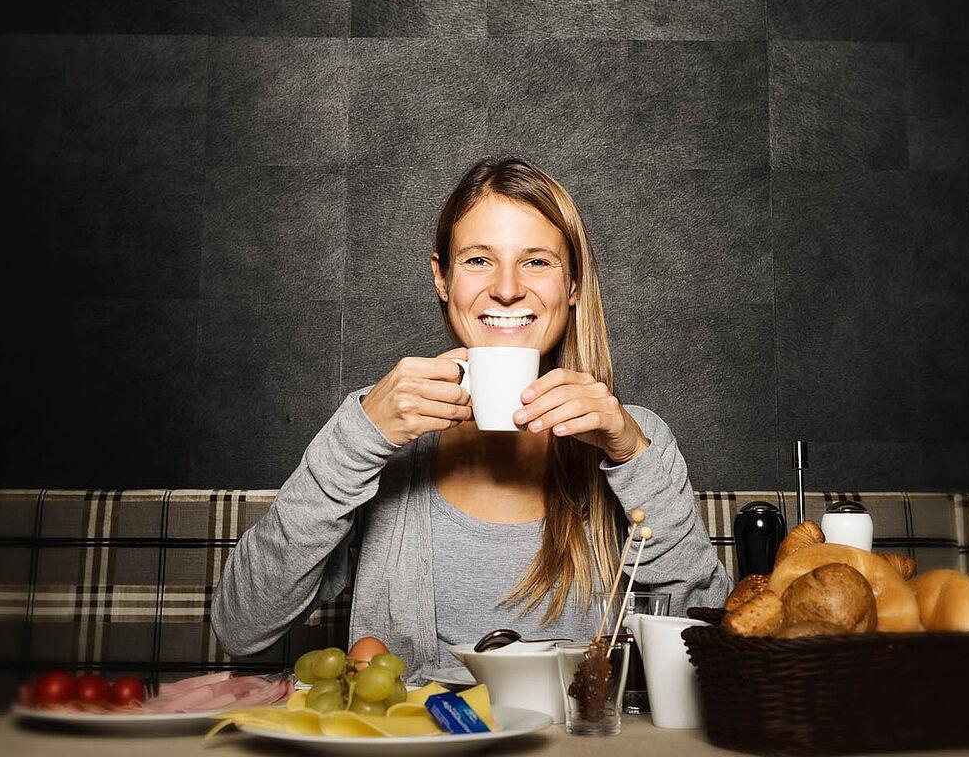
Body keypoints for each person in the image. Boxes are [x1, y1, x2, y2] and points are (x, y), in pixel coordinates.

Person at [212, 157, 730, 680]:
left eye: (537, 262)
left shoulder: (634, 437)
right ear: (442, 277)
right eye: (479, 260)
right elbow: (242, 626)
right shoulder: (382, 429)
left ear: (573, 286)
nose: (507, 289)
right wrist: (358, 439)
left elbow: (713, 637)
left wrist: (631, 454)